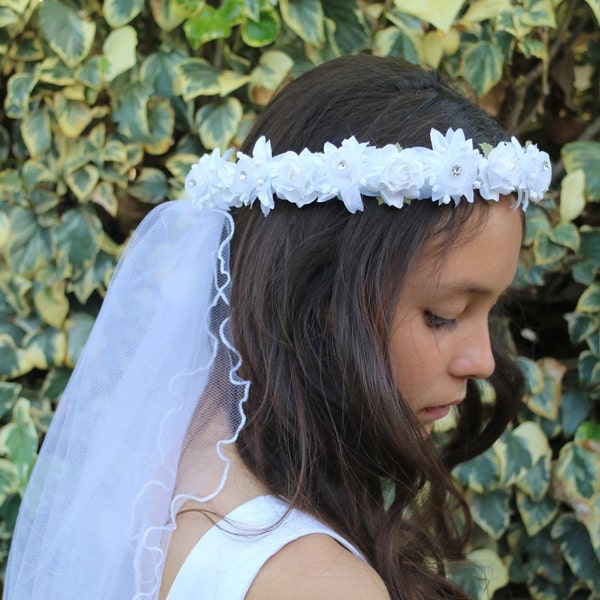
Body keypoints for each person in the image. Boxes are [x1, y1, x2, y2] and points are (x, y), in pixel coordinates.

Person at [4, 55, 551, 600]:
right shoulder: (317, 584)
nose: (482, 360)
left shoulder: (153, 471)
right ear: (317, 298)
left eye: (490, 311)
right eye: (445, 314)